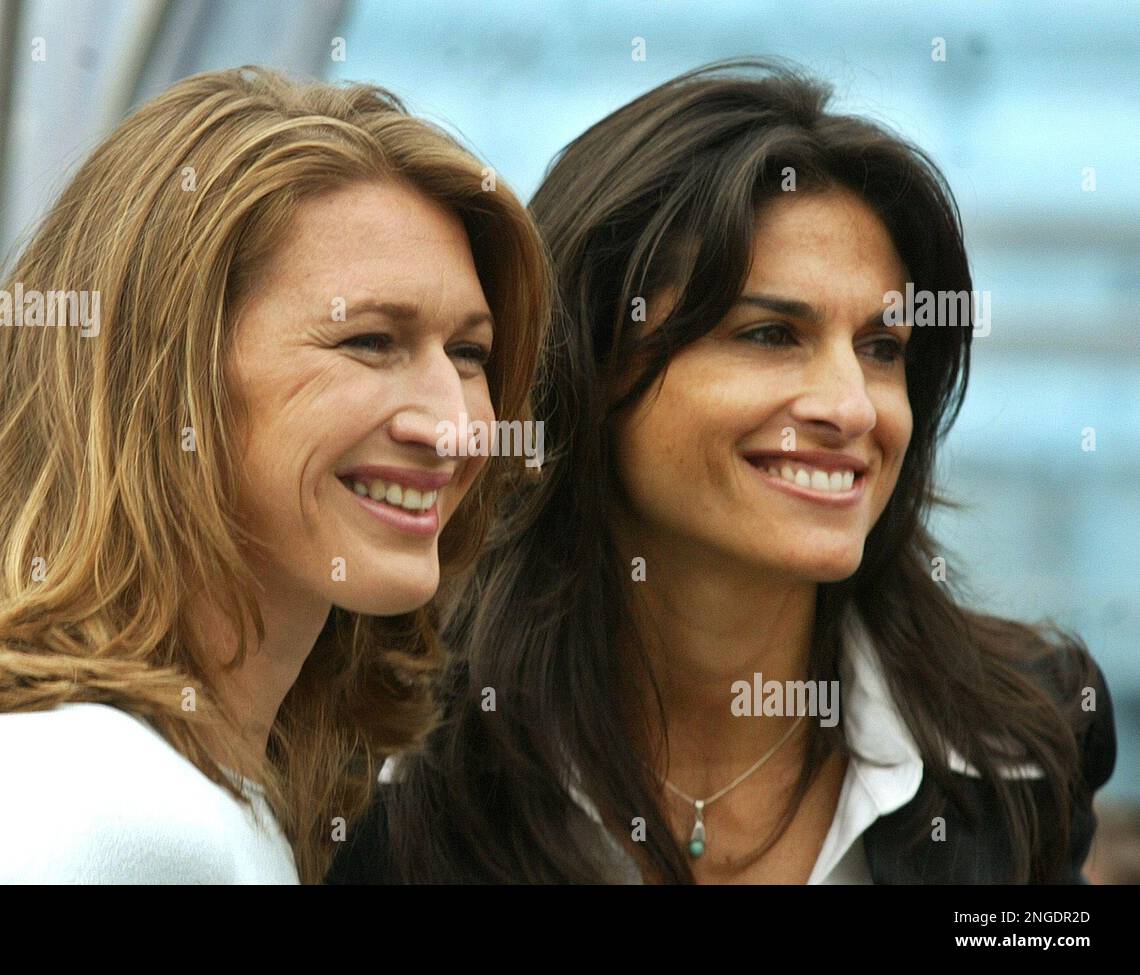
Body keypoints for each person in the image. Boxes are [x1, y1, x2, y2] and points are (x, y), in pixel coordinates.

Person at [327, 58, 1116, 884]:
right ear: (589, 365)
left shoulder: (1018, 743)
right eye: (772, 335)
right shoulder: (385, 755)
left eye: (881, 349)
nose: (851, 409)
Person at [0, 65, 550, 884]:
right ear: (165, 378)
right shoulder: (113, 816)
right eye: (370, 342)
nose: (454, 427)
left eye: (470, 354)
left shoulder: (127, 787)